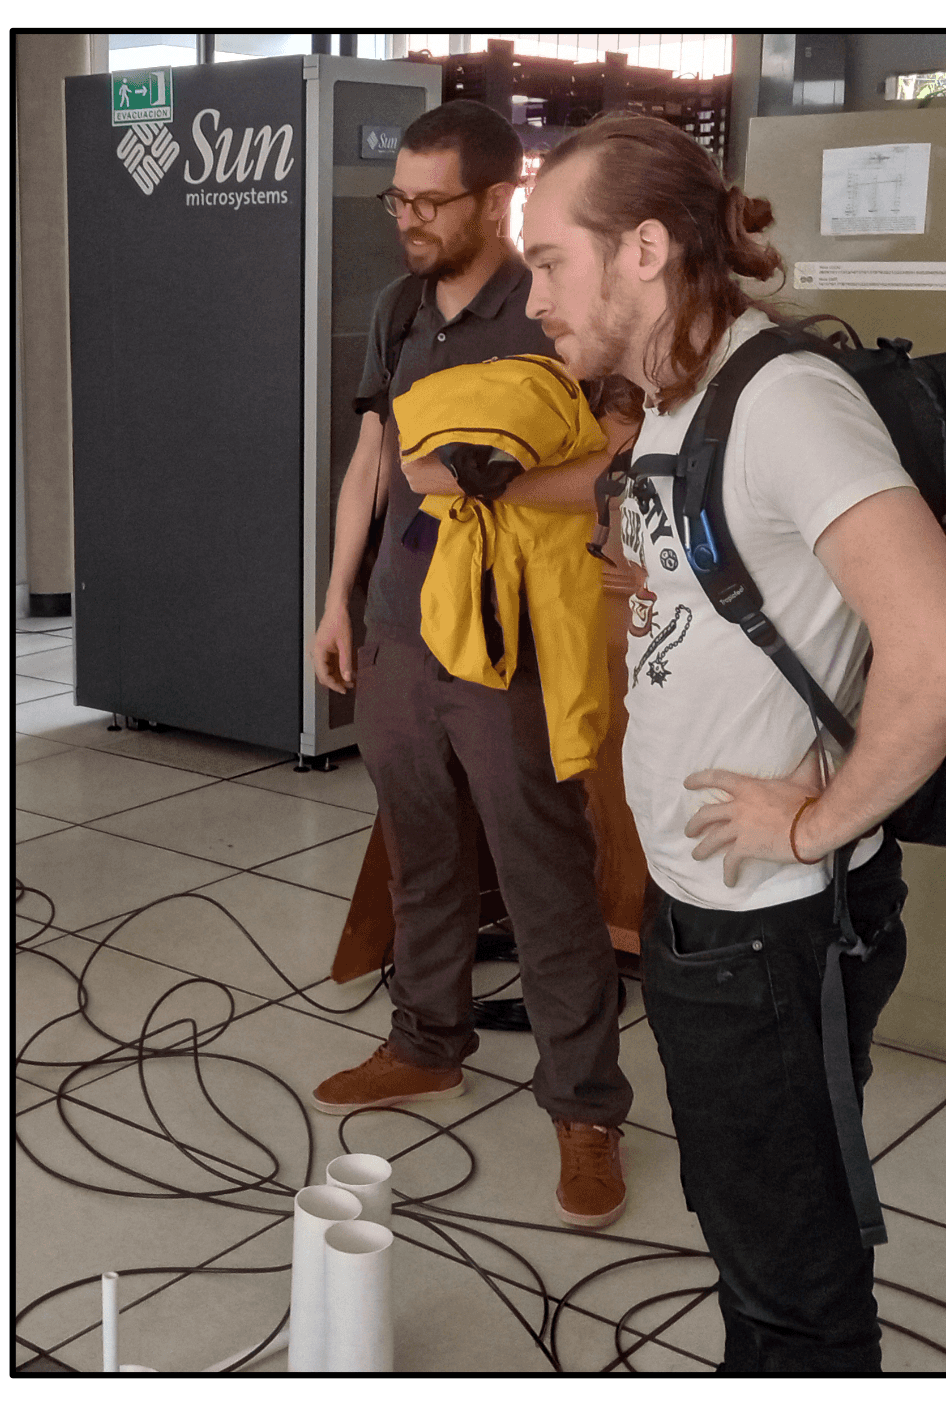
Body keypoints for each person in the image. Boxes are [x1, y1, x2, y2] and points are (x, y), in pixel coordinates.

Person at [520, 113, 946, 1372]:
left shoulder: (784, 398)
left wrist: (816, 819)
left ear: (643, 248)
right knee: (746, 1216)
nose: (534, 299)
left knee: (792, 1274)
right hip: (709, 914)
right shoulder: (680, 396)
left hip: (770, 929)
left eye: (550, 262)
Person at [306, 100, 641, 1228]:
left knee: (543, 871)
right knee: (422, 848)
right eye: (398, 199)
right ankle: (425, 1042)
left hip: (513, 640)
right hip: (401, 624)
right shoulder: (399, 307)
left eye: (430, 202)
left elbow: (623, 466)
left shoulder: (552, 306)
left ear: (498, 199)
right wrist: (336, 601)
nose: (408, 219)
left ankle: (584, 1107)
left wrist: (497, 484)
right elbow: (373, 460)